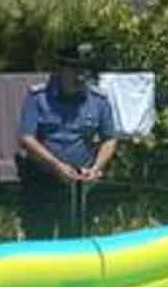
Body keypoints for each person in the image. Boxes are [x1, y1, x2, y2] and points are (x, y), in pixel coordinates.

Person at [16, 42, 118, 240]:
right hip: (41, 181)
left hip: (78, 184)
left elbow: (110, 138)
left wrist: (96, 168)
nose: (80, 77)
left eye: (84, 71)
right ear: (61, 70)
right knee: (38, 240)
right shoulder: (38, 97)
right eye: (74, 70)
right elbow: (26, 138)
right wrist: (57, 166)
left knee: (74, 242)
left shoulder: (99, 100)